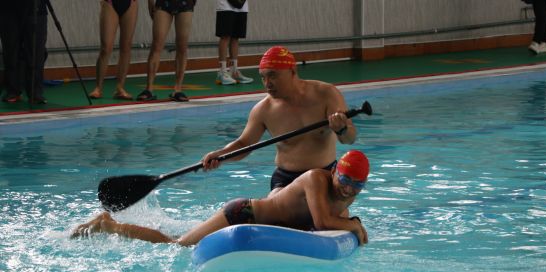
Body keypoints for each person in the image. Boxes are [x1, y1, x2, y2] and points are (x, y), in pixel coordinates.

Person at [72, 150, 370, 246]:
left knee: (180, 239)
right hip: (242, 213)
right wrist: (354, 226)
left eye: (357, 185)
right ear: (334, 171)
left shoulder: (345, 193)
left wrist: (349, 222)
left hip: (262, 221)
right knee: (177, 245)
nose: (348, 189)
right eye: (344, 180)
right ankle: (109, 224)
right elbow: (322, 222)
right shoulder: (317, 178)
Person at [202, 46, 357, 195]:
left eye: (273, 75)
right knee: (270, 206)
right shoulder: (263, 109)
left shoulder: (326, 94)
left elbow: (350, 139)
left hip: (325, 176)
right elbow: (244, 144)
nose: (267, 83)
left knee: (326, 205)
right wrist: (221, 155)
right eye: (263, 77)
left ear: (292, 71)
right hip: (285, 180)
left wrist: (342, 129)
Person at [136, 0, 196, 102]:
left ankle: (178, 89)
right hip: (164, 3)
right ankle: (149, 88)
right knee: (157, 44)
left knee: (182, 46)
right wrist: (150, 2)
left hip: (186, 3)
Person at [0, 0, 48, 104]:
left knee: (36, 51)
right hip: (8, 8)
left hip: (36, 7)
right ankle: (13, 90)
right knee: (10, 50)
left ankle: (35, 92)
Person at [90, 0, 139, 100]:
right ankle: (98, 87)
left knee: (126, 46)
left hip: (130, 3)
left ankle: (120, 88)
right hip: (110, 3)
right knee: (106, 47)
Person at [215, 0, 253, 85]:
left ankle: (234, 71)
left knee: (235, 37)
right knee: (225, 36)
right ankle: (222, 72)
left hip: (242, 5)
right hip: (225, 6)